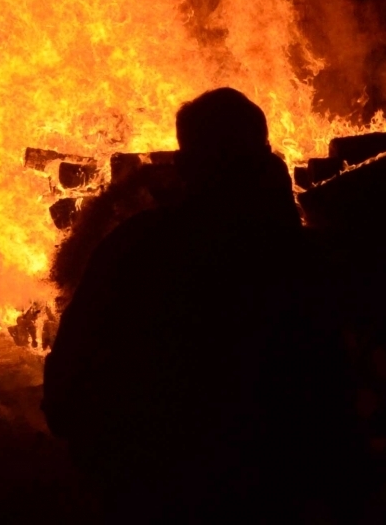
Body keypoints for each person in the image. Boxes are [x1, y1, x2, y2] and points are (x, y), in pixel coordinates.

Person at [43, 87, 360, 522]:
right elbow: (332, 388)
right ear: (265, 157)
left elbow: (70, 370)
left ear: (187, 164)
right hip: (269, 486)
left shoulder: (136, 244)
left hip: (152, 481)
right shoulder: (301, 256)